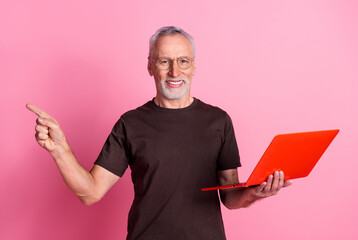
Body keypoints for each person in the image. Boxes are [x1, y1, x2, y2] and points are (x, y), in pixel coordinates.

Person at [27, 26, 292, 240]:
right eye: (164, 61)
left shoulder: (218, 121)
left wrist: (254, 193)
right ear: (150, 66)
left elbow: (231, 197)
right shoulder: (130, 124)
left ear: (194, 66)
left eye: (183, 61)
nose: (175, 71)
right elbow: (91, 192)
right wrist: (59, 150)